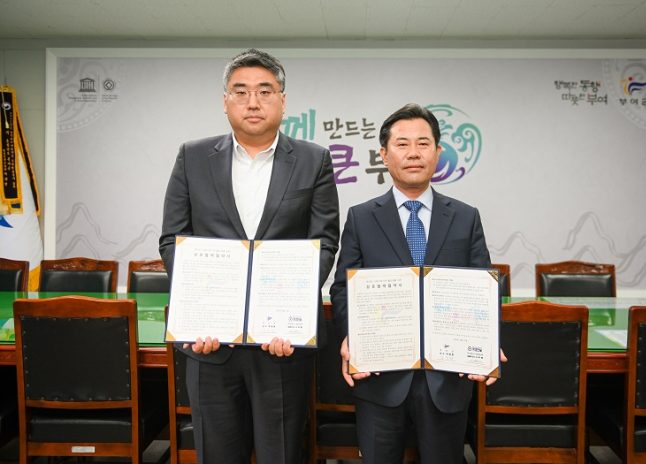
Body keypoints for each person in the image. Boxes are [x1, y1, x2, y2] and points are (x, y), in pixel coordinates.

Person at [159, 48, 340, 464]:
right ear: (225, 101)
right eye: (240, 92)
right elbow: (173, 239)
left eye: (264, 91)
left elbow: (324, 241)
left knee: (283, 454)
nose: (253, 102)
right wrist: (199, 311)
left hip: (282, 346)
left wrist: (288, 311)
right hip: (209, 344)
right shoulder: (192, 157)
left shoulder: (313, 159)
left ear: (282, 100)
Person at [330, 103, 505, 464]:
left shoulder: (465, 217)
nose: (413, 153)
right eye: (402, 144)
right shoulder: (361, 218)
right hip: (379, 377)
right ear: (384, 154)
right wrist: (352, 337)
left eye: (423, 144)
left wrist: (489, 341)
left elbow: (483, 289)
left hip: (447, 378)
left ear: (438, 153)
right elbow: (343, 288)